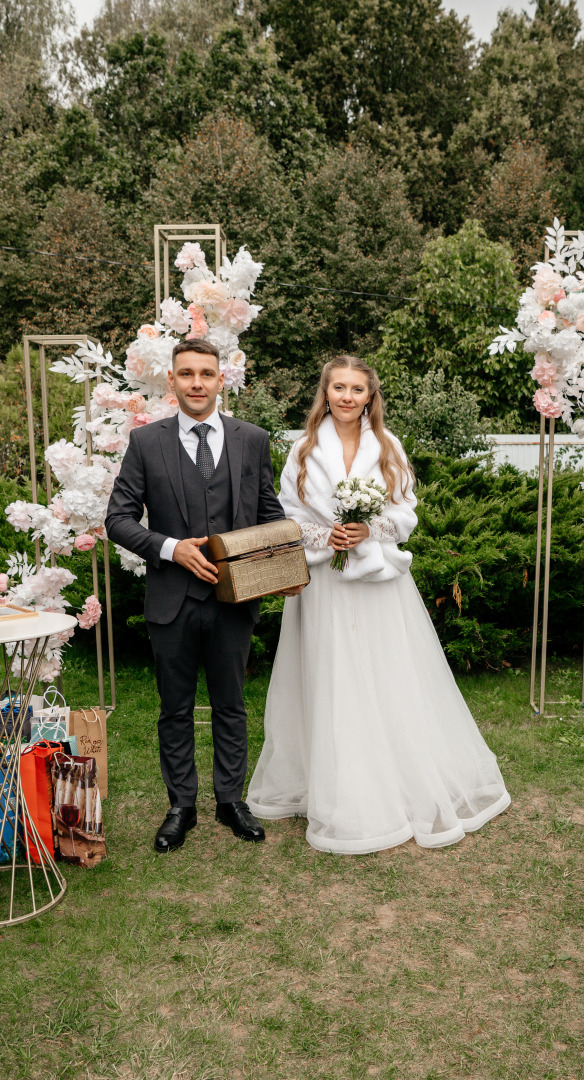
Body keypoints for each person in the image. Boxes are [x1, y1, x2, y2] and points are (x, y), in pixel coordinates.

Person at [247, 356, 511, 854]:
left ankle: (398, 777)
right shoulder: (301, 449)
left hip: (379, 583)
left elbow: (404, 513)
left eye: (357, 389)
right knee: (329, 676)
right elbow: (287, 515)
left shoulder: (388, 447)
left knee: (387, 674)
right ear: (324, 392)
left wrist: (369, 530)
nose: (347, 397)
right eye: (338, 388)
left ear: (371, 396)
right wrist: (327, 535)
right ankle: (334, 783)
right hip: (323, 580)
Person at [105, 338, 296, 853]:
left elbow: (269, 513)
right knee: (175, 708)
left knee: (232, 704)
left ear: (220, 380)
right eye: (186, 374)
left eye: (206, 374)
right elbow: (117, 520)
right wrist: (170, 548)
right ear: (172, 380)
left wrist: (277, 554)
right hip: (171, 601)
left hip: (235, 602)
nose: (196, 383)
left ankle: (230, 800)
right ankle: (180, 806)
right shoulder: (147, 443)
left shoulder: (252, 439)